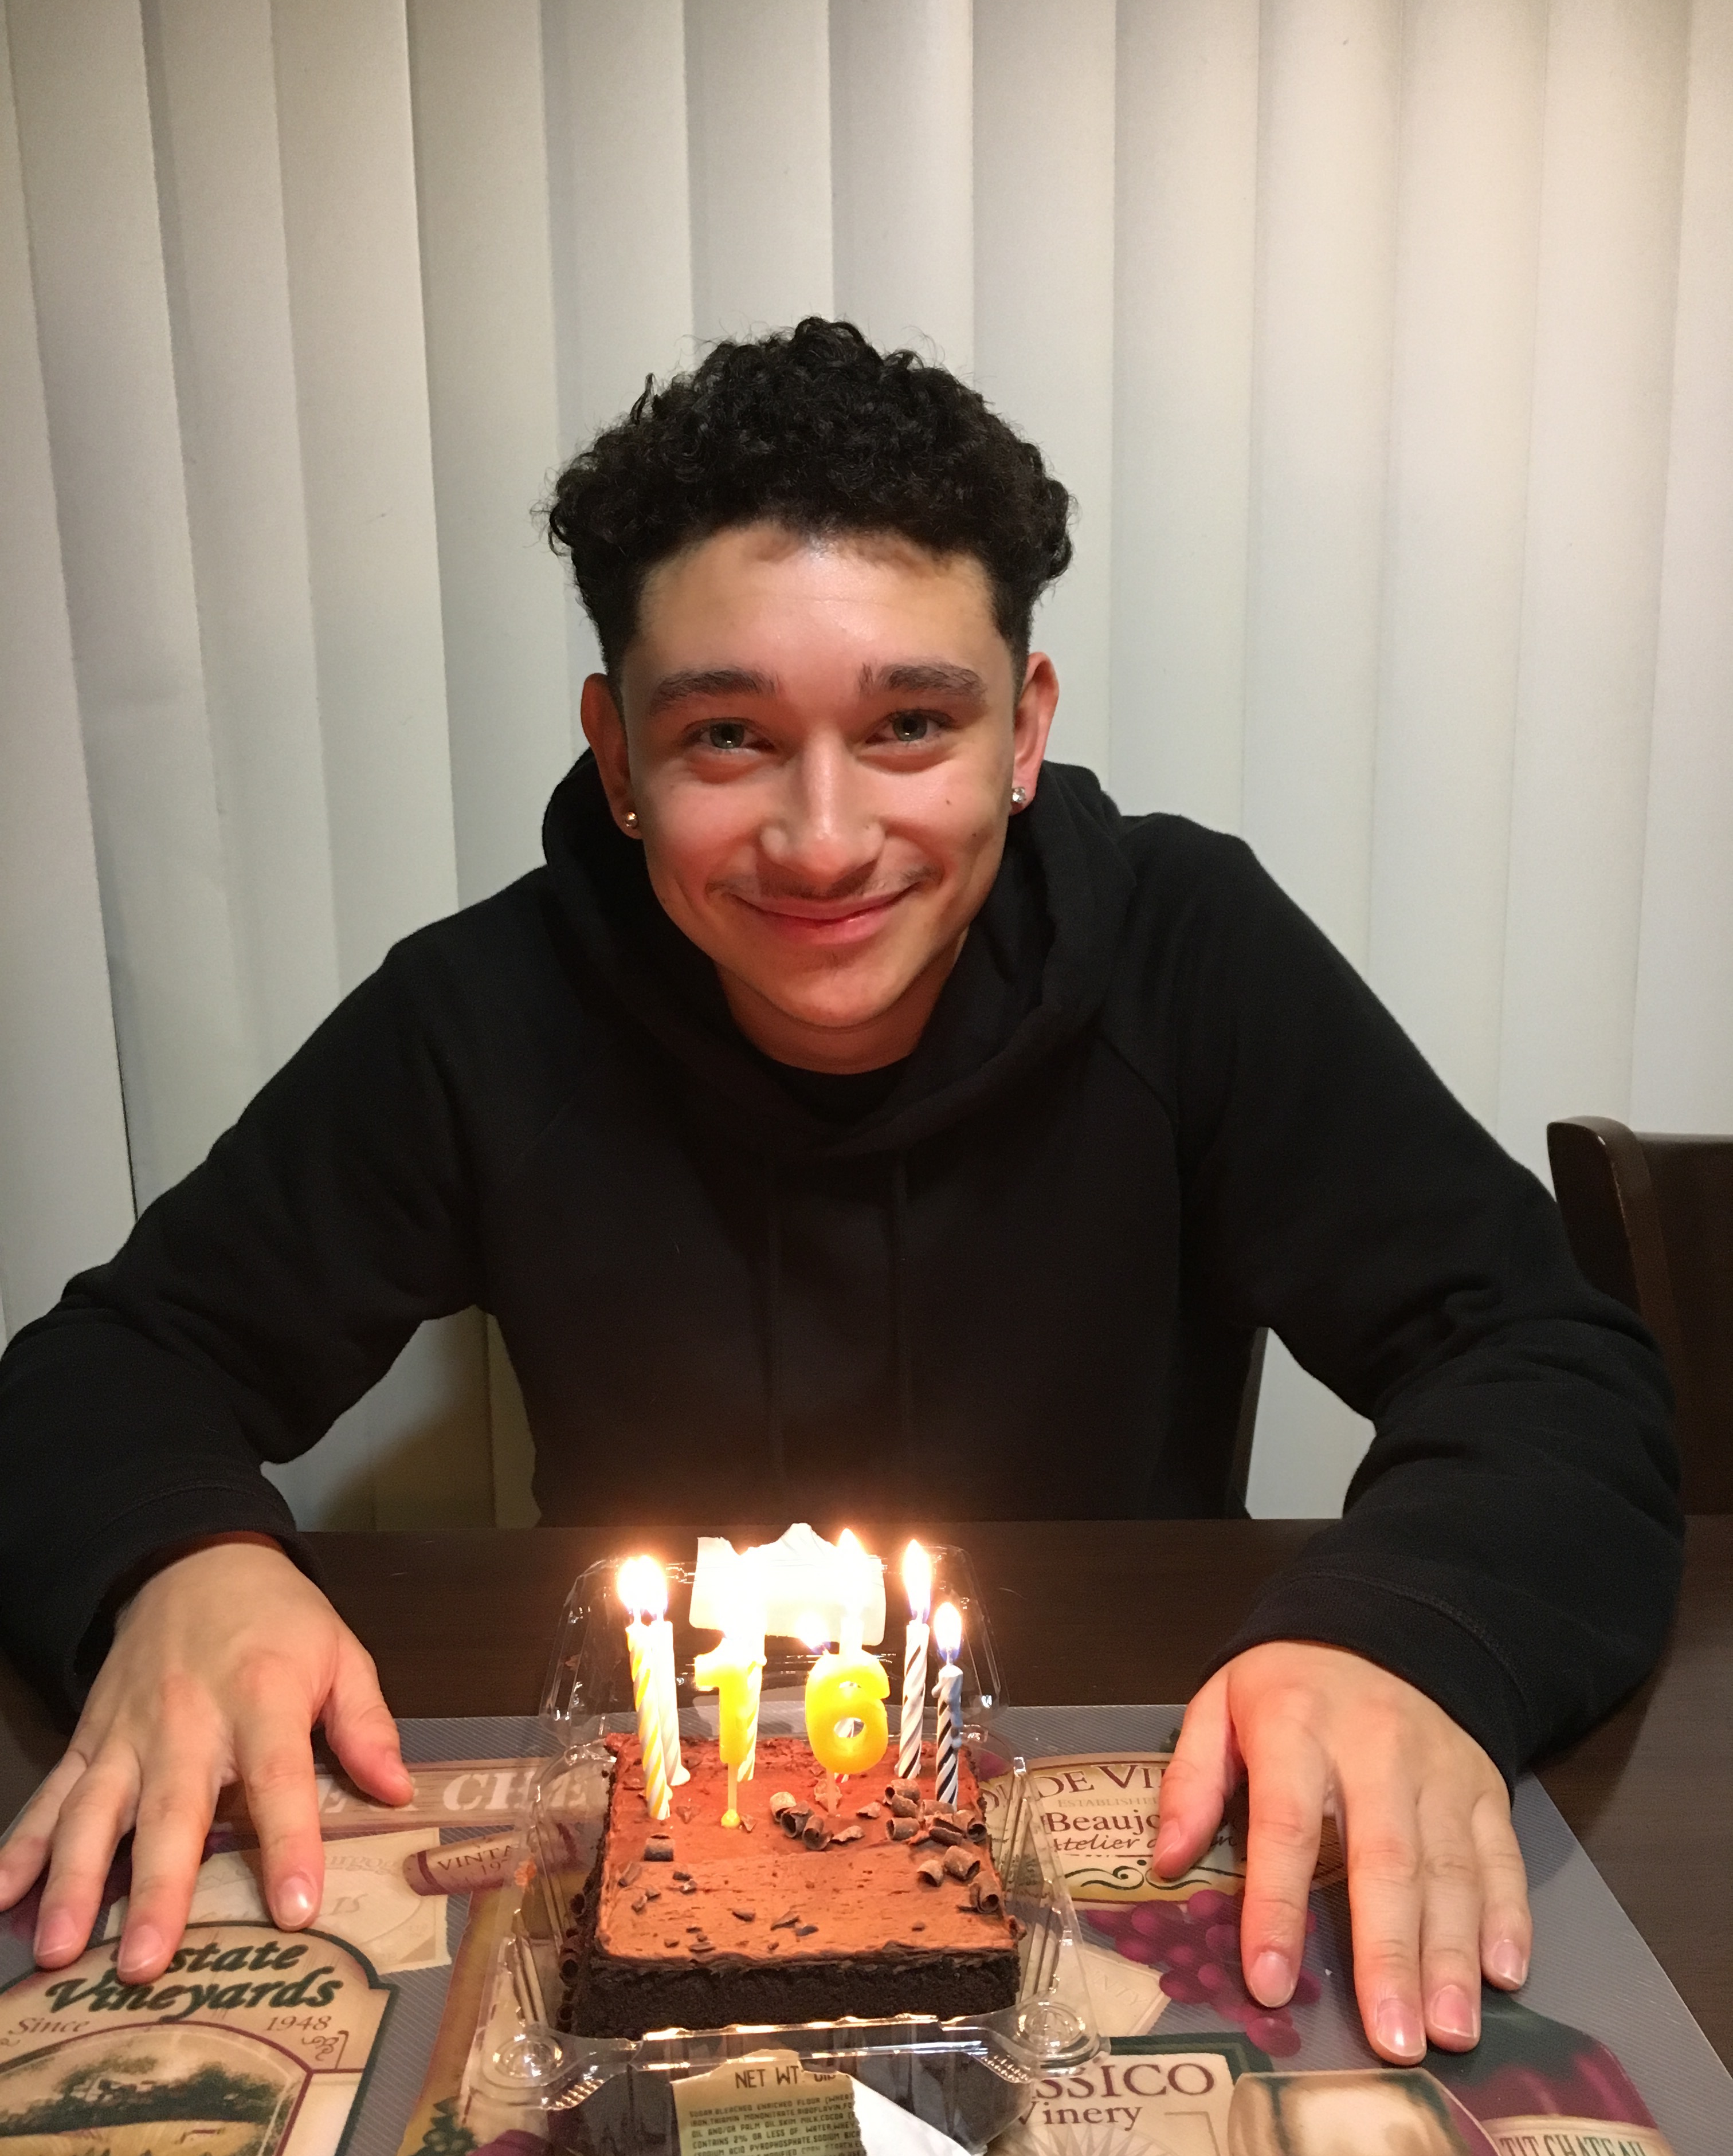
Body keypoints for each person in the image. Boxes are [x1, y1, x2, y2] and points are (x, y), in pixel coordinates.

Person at [0, 320, 1679, 2067]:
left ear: (1023, 727)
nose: (823, 839)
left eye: (909, 725)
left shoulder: (1192, 957)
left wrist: (1409, 1639)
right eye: (729, 735)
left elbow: (1549, 1363)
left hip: (1116, 1859)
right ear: (619, 756)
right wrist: (182, 1563)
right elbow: (107, 1374)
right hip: (648, 1896)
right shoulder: (483, 1016)